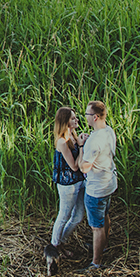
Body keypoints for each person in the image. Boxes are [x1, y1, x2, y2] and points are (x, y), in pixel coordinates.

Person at [79, 99, 117, 270]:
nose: (85, 117)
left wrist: (81, 147)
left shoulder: (93, 142)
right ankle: (104, 245)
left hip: (96, 188)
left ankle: (96, 261)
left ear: (94, 117)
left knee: (96, 226)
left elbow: (84, 167)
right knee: (105, 214)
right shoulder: (108, 131)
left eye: (87, 114)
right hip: (109, 181)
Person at [50, 106, 86, 258]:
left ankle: (62, 241)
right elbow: (74, 166)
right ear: (65, 122)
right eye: (73, 118)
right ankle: (55, 246)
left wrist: (79, 142)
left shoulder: (72, 135)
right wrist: (82, 146)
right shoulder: (62, 142)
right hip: (67, 184)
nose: (76, 120)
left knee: (78, 216)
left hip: (78, 181)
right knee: (64, 215)